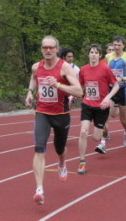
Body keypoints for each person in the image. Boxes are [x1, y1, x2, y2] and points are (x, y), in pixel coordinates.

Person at [25, 35, 83, 205]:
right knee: (39, 147)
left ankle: (62, 163)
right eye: (45, 47)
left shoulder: (64, 68)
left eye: (51, 47)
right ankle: (39, 189)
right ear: (41, 49)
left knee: (59, 148)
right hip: (42, 112)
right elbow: (33, 79)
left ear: (57, 49)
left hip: (61, 114)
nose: (48, 50)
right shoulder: (36, 67)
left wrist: (58, 85)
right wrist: (29, 92)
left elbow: (79, 91)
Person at [77, 44, 119, 174]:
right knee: (83, 132)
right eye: (91, 52)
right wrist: (72, 96)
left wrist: (108, 98)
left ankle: (104, 132)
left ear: (100, 55)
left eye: (96, 52)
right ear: (88, 54)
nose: (93, 54)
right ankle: (82, 162)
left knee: (96, 137)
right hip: (87, 104)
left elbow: (116, 85)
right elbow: (81, 85)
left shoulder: (105, 69)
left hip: (101, 106)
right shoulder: (83, 69)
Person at [103, 36, 126, 148]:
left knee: (123, 119)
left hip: (122, 90)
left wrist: (121, 79)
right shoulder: (108, 56)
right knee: (107, 114)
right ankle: (103, 142)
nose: (116, 47)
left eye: (119, 45)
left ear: (123, 46)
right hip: (111, 90)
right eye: (115, 45)